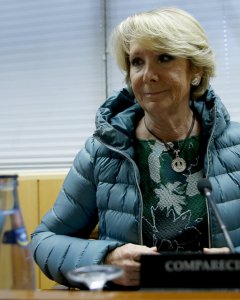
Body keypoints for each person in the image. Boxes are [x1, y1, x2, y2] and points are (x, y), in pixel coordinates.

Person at [30, 7, 240, 289]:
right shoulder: (103, 150)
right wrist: (106, 259)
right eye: (137, 62)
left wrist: (234, 265)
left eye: (164, 58)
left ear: (196, 70)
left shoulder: (236, 145)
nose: (148, 75)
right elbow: (45, 240)